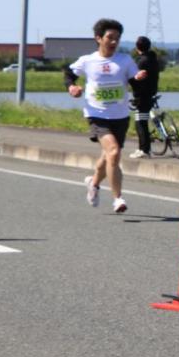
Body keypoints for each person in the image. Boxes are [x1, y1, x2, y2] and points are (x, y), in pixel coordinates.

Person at [63, 18, 146, 214]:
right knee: (114, 152)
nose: (114, 42)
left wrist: (139, 78)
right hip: (97, 114)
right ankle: (118, 198)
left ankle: (93, 182)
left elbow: (135, 80)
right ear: (98, 38)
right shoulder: (88, 61)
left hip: (120, 115)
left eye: (117, 38)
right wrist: (71, 87)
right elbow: (69, 74)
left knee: (108, 155)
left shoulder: (125, 60)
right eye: (110, 37)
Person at [127, 36, 160, 159]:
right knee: (142, 121)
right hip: (151, 92)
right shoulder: (153, 58)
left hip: (142, 94)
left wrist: (130, 79)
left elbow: (136, 79)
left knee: (140, 123)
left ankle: (144, 150)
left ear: (137, 48)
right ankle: (143, 148)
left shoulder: (141, 61)